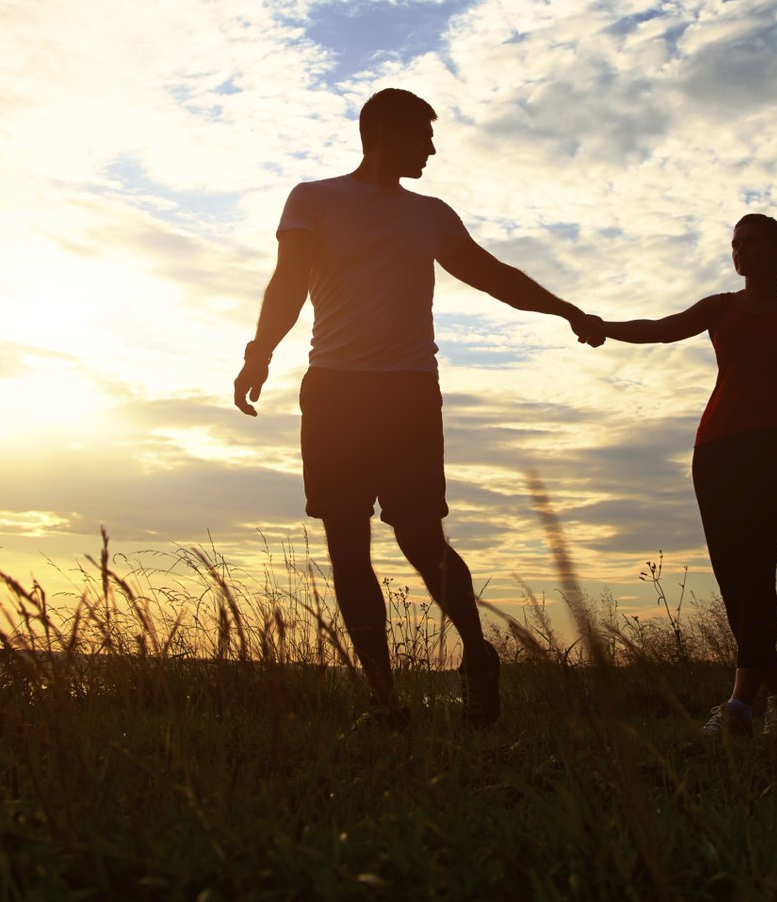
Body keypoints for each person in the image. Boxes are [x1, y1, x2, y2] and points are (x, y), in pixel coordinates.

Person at [233, 88, 598, 728]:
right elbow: (288, 282)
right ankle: (384, 702)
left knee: (420, 535)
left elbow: (494, 275)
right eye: (423, 136)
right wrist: (259, 352)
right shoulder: (313, 198)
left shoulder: (430, 214)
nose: (432, 148)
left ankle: (479, 658)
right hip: (335, 390)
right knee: (347, 544)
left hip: (407, 391)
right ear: (387, 134)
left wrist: (566, 309)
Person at [578, 213, 777, 736]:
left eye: (752, 243)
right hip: (715, 450)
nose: (740, 251)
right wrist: (604, 327)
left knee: (757, 572)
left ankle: (738, 707)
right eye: (735, 244)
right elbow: (661, 331)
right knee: (733, 579)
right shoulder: (720, 308)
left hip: (774, 449)